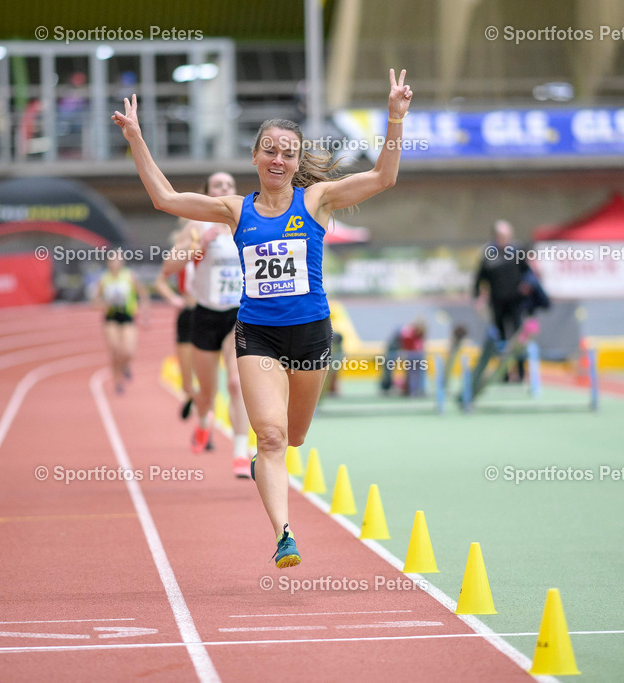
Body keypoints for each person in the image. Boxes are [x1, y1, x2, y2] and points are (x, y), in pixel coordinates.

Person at [112, 68, 413, 567]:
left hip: (312, 332)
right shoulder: (235, 209)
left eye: (288, 152)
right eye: (269, 149)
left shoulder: (316, 199)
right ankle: (284, 535)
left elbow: (384, 177)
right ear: (255, 157)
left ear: (297, 162)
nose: (278, 158)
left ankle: (263, 465)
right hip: (257, 333)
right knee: (270, 437)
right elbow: (165, 199)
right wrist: (137, 138)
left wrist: (395, 118)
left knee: (294, 436)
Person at [159, 171, 255, 478]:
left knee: (237, 384)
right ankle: (203, 424)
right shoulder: (197, 226)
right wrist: (199, 246)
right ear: (208, 192)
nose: (224, 189)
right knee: (207, 392)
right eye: (218, 186)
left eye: (229, 185)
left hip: (237, 314)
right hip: (204, 314)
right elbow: (169, 267)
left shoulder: (246, 223)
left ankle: (241, 453)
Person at [473, 220, 532, 382]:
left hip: (515, 302)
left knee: (517, 337)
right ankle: (504, 374)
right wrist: (478, 295)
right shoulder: (488, 253)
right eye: (501, 236)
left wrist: (528, 286)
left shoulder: (517, 251)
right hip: (497, 302)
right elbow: (480, 277)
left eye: (507, 236)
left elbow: (528, 273)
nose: (504, 239)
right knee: (500, 338)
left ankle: (520, 373)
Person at [155, 227, 198, 421]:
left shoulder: (209, 252)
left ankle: (204, 422)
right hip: (187, 315)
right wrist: (174, 299)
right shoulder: (179, 258)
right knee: (186, 373)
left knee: (208, 374)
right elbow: (160, 282)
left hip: (208, 314)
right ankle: (189, 394)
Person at [95, 251, 149, 394]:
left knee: (128, 352)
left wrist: (145, 314)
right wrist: (102, 304)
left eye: (117, 260)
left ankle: (125, 365)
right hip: (111, 317)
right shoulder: (104, 279)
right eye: (112, 261)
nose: (115, 263)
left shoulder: (130, 276)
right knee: (114, 350)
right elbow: (95, 301)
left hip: (127, 316)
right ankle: (118, 381)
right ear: (108, 262)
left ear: (122, 262)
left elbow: (143, 294)